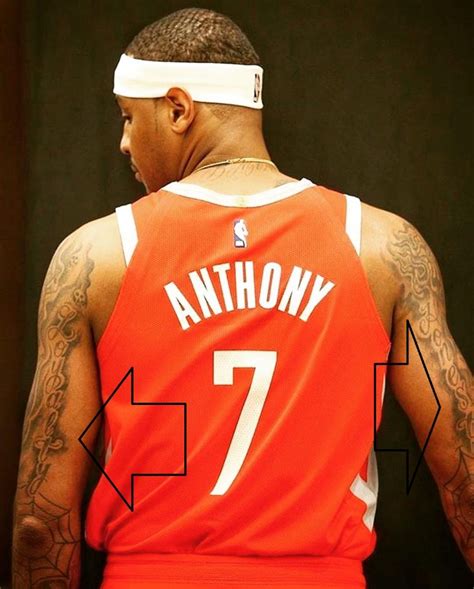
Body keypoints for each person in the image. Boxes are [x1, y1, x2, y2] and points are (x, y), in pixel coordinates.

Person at [11, 7, 473, 589]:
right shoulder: (383, 247)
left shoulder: (94, 257)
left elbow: (40, 523)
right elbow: (467, 479)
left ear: (177, 109)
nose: (123, 142)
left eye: (128, 116)